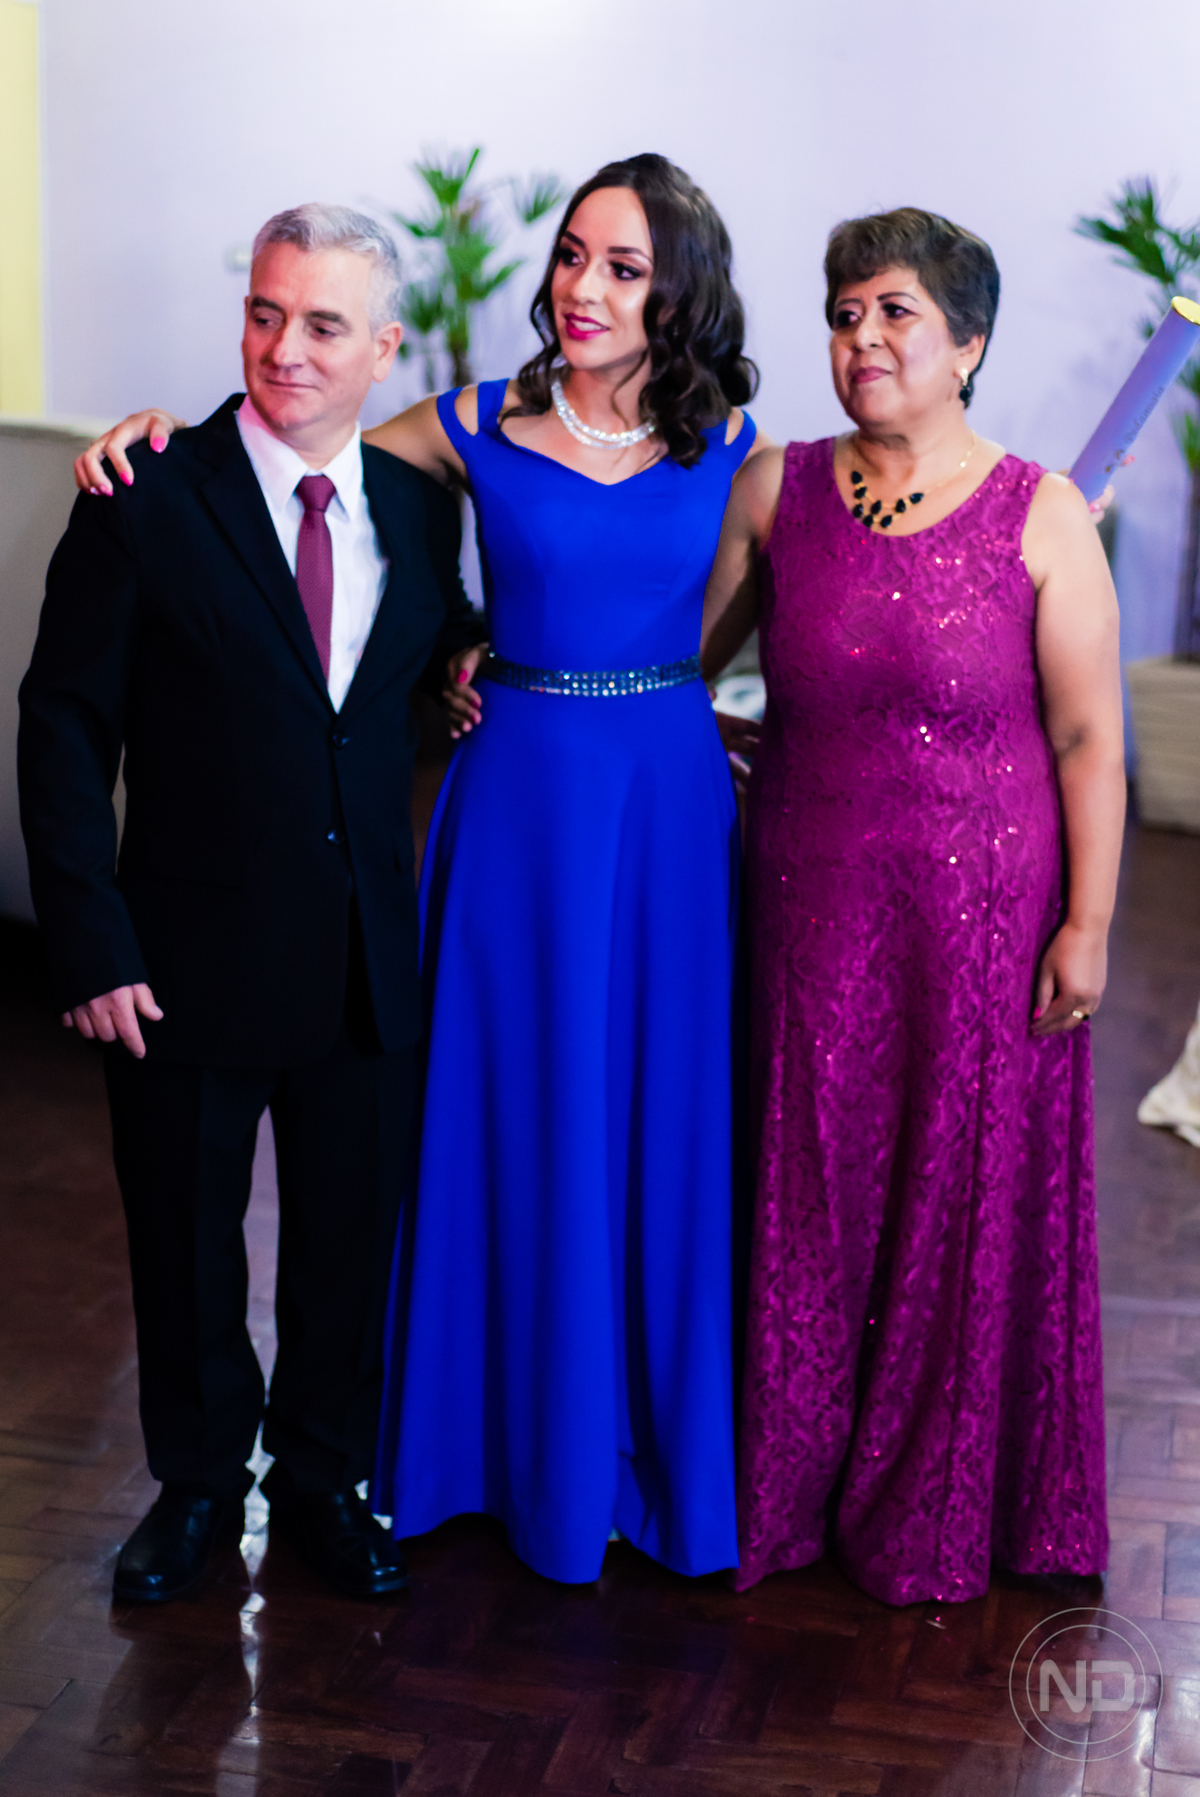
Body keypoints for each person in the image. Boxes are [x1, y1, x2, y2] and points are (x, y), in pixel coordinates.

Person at [71, 154, 770, 1585]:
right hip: (503, 819)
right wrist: (161, 436)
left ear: (681, 292)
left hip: (651, 814)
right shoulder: (465, 427)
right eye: (572, 254)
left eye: (624, 266)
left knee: (615, 1130)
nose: (581, 286)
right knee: (482, 1120)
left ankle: (553, 1454)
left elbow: (749, 608)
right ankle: (331, 1468)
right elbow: (290, 436)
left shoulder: (743, 449)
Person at [20, 204, 485, 1606]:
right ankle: (199, 1486)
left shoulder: (422, 509)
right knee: (183, 1243)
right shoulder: (146, 490)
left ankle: (324, 1479)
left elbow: (413, 661)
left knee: (346, 1241)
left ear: (384, 348)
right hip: (181, 957)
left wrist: (462, 667)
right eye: (265, 313)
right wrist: (89, 936)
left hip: (363, 960)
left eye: (323, 324)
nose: (285, 348)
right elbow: (62, 721)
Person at [701, 208, 1125, 1604]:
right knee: (808, 1184)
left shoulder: (1041, 511)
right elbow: (669, 668)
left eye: (896, 313)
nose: (864, 338)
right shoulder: (776, 491)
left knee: (956, 1194)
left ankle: (935, 1507)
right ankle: (788, 1485)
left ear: (969, 344)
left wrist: (1089, 924)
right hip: (808, 908)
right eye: (845, 313)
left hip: (984, 924)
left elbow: (1087, 739)